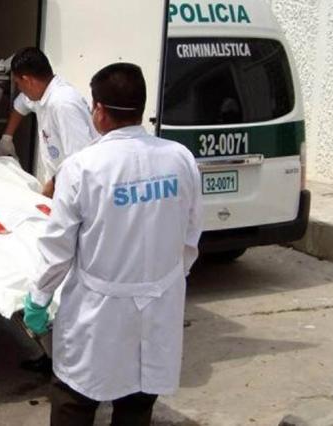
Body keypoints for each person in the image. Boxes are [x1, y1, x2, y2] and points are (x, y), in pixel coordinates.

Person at [23, 63, 203, 425]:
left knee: (76, 400)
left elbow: (58, 249)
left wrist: (38, 299)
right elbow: (191, 233)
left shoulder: (83, 167)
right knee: (137, 403)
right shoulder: (180, 158)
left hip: (97, 314)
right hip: (159, 306)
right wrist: (163, 281)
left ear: (100, 111)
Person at [0, 47, 97, 198]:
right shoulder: (41, 93)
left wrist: (54, 184)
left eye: (18, 83)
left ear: (27, 80)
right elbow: (20, 105)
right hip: (62, 186)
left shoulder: (63, 104)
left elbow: (81, 160)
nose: (19, 89)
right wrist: (6, 138)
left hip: (78, 192)